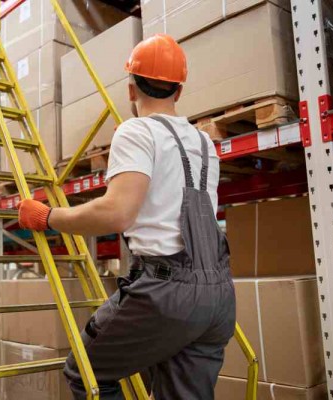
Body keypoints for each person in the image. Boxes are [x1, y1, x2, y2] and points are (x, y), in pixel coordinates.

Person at [17, 34, 235, 400]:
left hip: (166, 292)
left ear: (131, 89)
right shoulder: (204, 143)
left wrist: (48, 216)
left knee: (86, 373)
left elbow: (117, 212)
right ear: (178, 91)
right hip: (218, 297)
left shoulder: (135, 131)